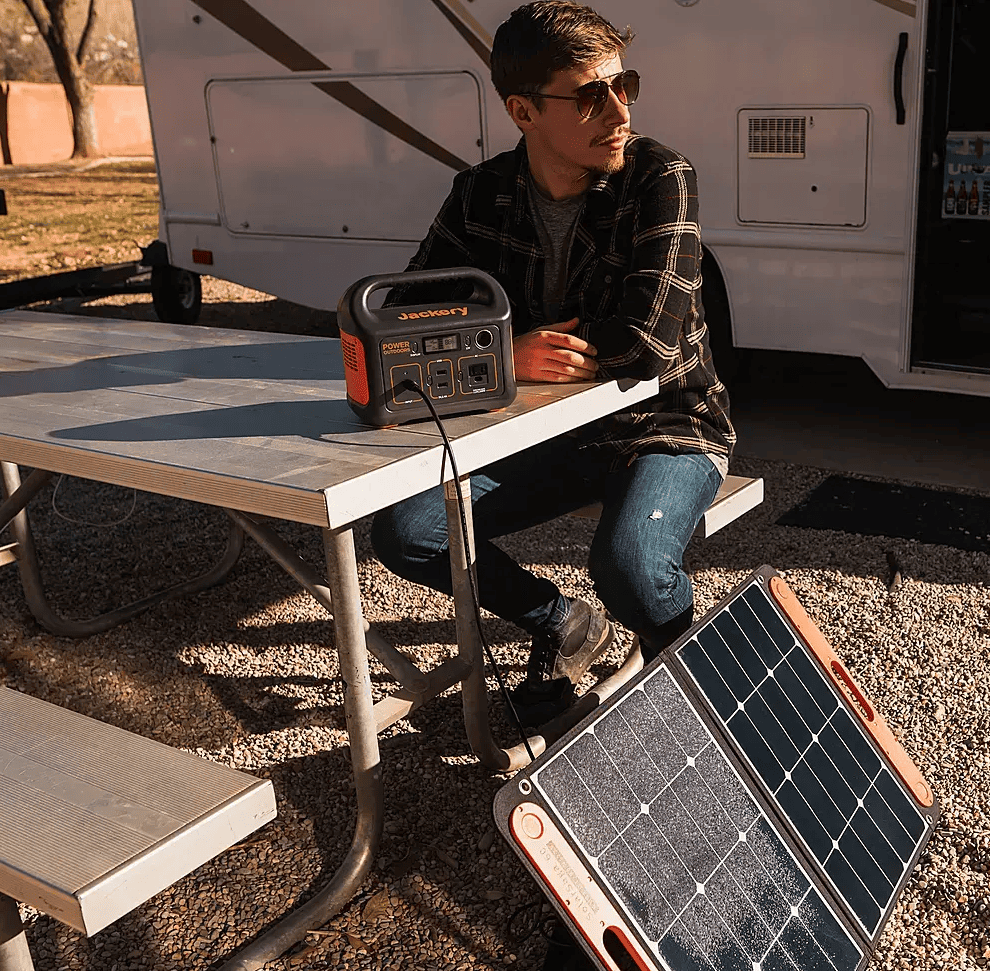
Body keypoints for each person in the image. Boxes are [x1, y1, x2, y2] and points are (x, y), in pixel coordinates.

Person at [371, 0, 734, 727]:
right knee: (405, 532)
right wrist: (506, 355)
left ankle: (692, 696)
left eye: (624, 85)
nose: (619, 111)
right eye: (590, 95)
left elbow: (648, 345)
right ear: (523, 111)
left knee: (630, 568)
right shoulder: (480, 194)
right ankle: (560, 620)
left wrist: (488, 353)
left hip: (667, 425)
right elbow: (399, 322)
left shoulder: (662, 177)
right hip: (545, 434)